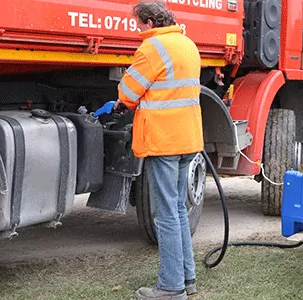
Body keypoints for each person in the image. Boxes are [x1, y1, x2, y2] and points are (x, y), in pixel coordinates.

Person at [116, 1, 203, 299]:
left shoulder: (152, 49)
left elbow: (128, 93)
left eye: (139, 24)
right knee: (178, 209)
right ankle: (187, 279)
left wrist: (124, 97)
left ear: (150, 22)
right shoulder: (188, 44)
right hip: (187, 139)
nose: (137, 29)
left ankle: (170, 287)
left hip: (163, 141)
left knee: (165, 214)